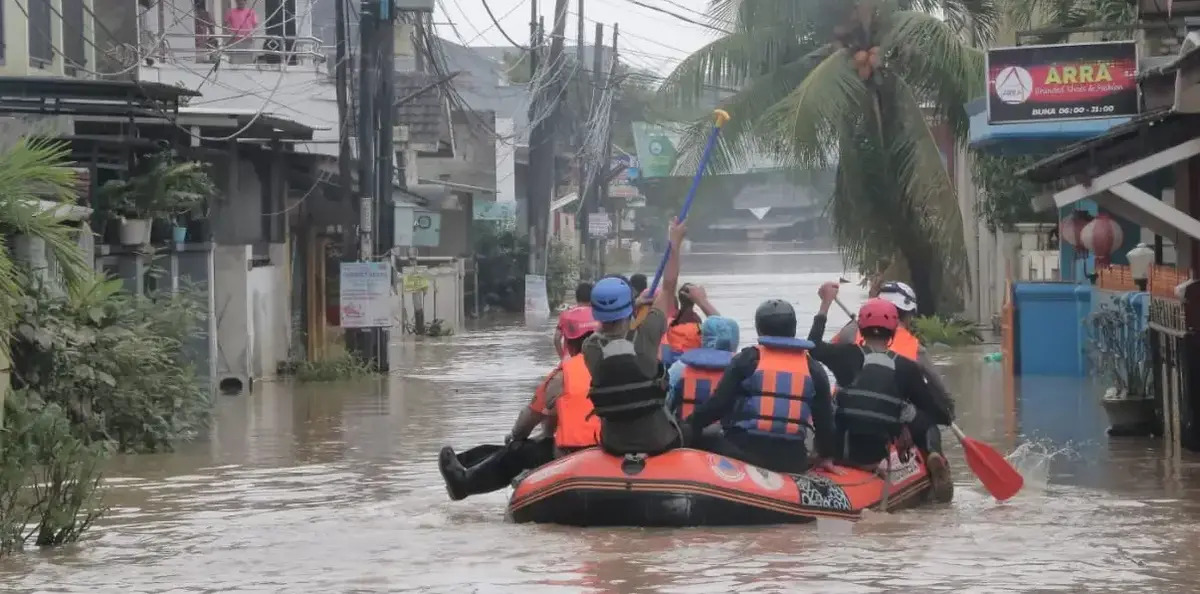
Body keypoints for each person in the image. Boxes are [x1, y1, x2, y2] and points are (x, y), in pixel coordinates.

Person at [807, 287, 954, 503]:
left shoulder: (845, 355)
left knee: (831, 405)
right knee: (921, 418)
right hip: (871, 457)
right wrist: (909, 420)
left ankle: (818, 455)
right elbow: (938, 413)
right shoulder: (907, 368)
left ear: (860, 329)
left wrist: (825, 304)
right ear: (894, 330)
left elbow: (813, 346)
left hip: (838, 453)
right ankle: (932, 453)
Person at [437, 317, 598, 501]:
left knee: (516, 452)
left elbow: (527, 421)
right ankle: (467, 462)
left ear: (568, 344)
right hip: (611, 451)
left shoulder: (564, 375)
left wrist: (516, 437)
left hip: (572, 455)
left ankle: (464, 485)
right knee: (529, 446)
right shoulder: (623, 364)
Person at [683, 299, 837, 475]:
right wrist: (826, 455)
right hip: (791, 460)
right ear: (793, 329)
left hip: (743, 454)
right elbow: (824, 420)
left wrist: (687, 426)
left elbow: (718, 405)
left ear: (759, 329)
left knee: (705, 436)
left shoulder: (747, 359)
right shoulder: (814, 368)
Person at [583, 218, 687, 456]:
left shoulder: (590, 347)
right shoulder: (648, 329)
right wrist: (675, 243)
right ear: (629, 305)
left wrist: (635, 304)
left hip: (613, 445)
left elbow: (610, 332)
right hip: (659, 441)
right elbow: (669, 287)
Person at [831, 280, 956, 414]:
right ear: (908, 314)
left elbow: (831, 353)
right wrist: (949, 409)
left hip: (847, 408)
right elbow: (938, 386)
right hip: (890, 413)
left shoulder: (851, 330)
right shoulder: (915, 347)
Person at [666, 315, 740, 420]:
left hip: (687, 429)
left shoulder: (679, 367)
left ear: (703, 338)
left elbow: (666, 402)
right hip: (726, 432)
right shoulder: (741, 368)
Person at [659, 283, 718, 367]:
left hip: (671, 363)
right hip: (691, 363)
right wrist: (702, 300)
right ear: (694, 300)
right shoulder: (698, 324)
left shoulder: (668, 322)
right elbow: (719, 326)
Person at [554, 281, 595, 359]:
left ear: (577, 297)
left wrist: (562, 358)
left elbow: (556, 339)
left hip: (571, 360)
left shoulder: (566, 315)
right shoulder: (599, 314)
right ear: (593, 297)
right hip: (594, 361)